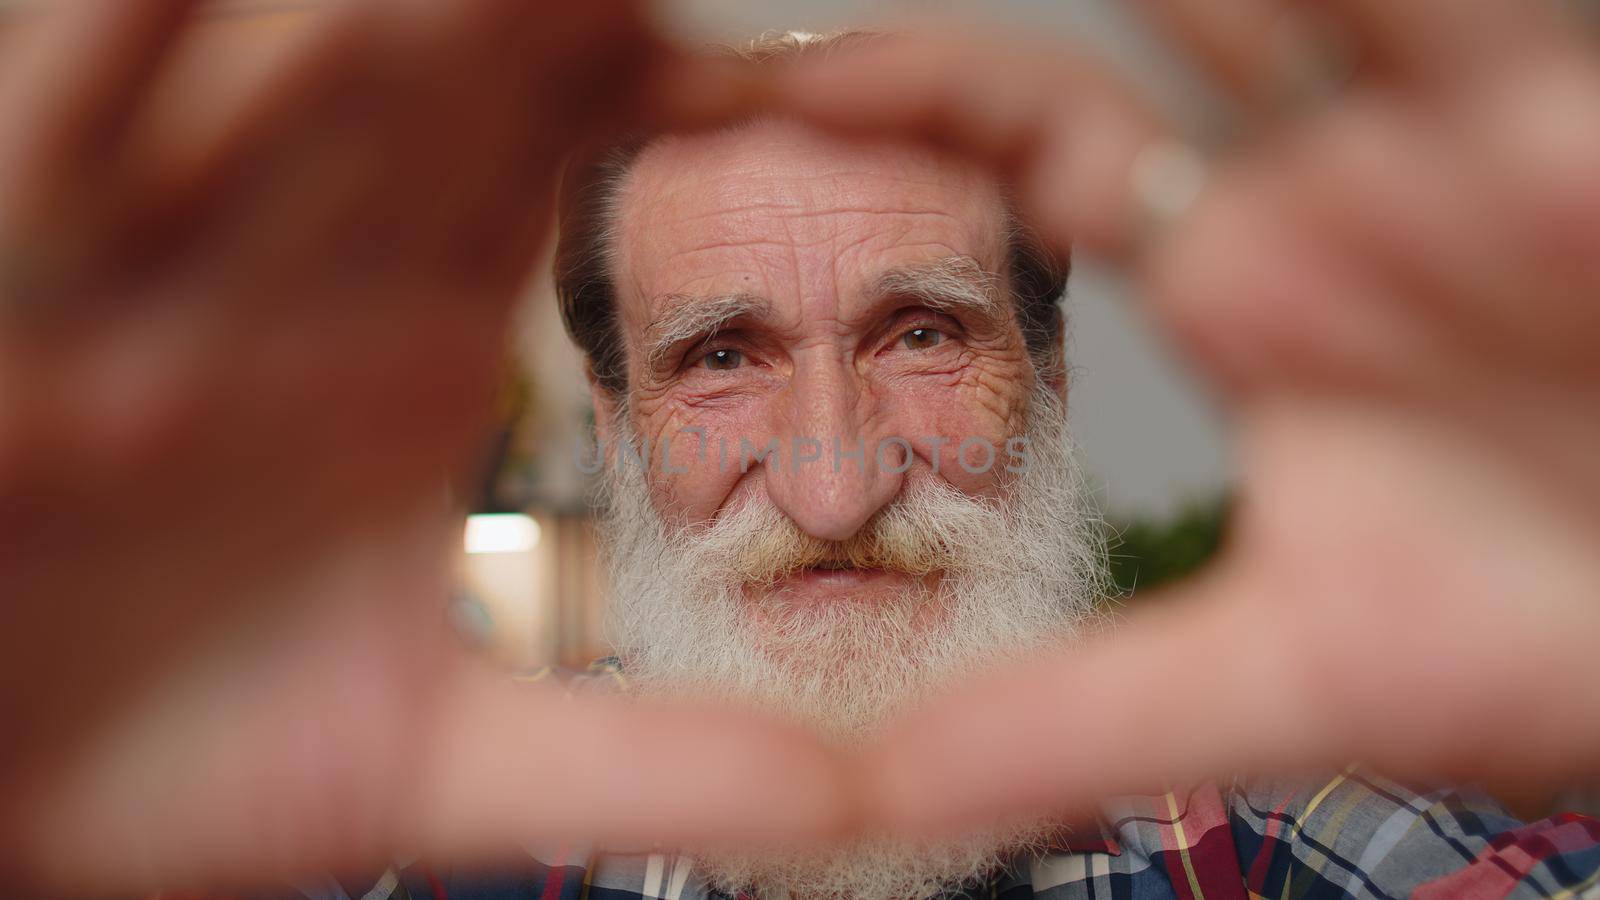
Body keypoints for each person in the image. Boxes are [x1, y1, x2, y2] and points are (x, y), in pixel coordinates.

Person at [6, 0, 1600, 897]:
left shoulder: (1295, 838)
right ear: (617, 422)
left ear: (1046, 374)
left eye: (923, 333)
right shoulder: (420, 861)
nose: (834, 485)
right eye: (720, 359)